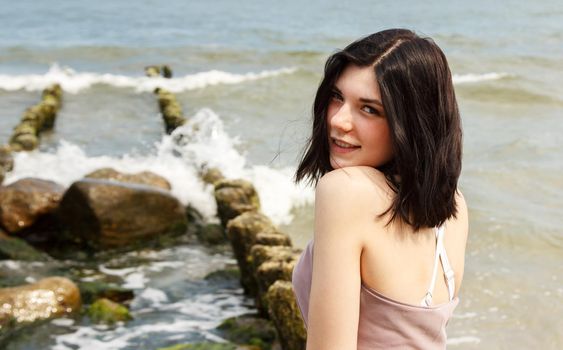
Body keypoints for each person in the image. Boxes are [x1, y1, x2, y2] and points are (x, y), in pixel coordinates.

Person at [291, 29, 469, 349]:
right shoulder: (454, 208)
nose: (339, 120)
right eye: (336, 96)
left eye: (369, 109)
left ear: (411, 124)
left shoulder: (345, 191)